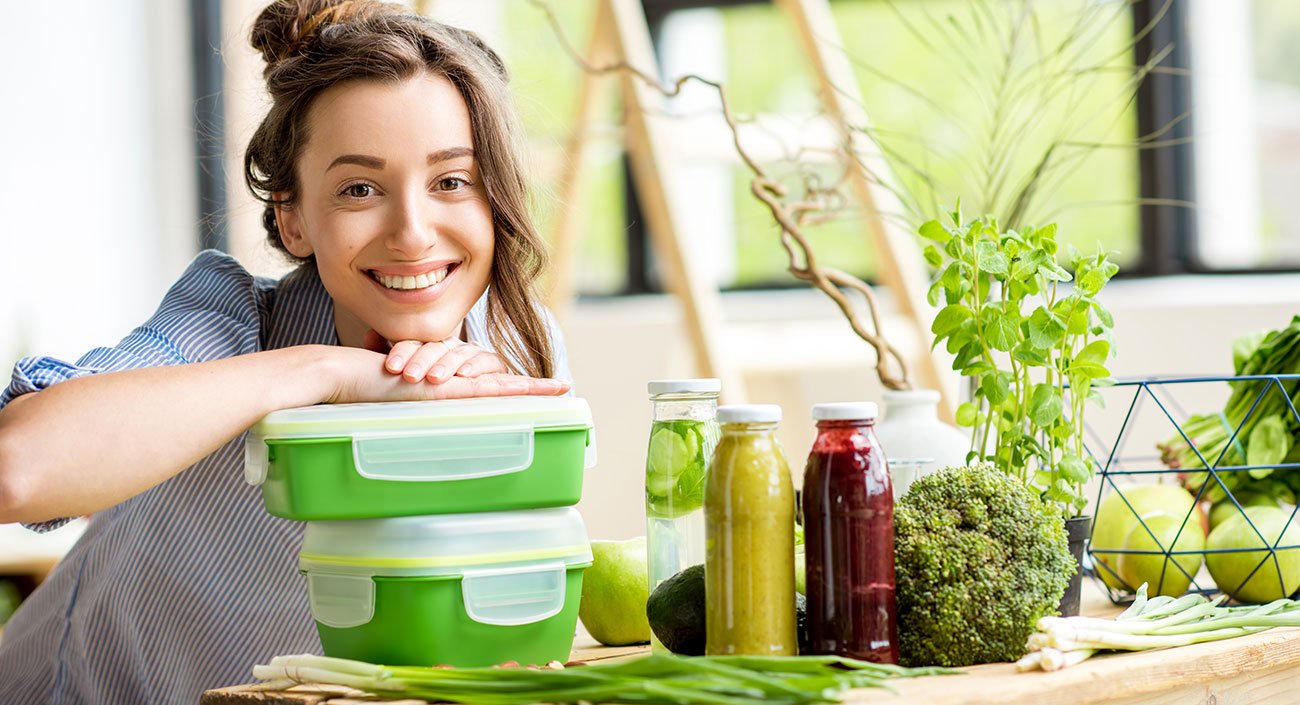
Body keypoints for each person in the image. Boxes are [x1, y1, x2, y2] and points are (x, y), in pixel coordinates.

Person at [0, 1, 572, 701]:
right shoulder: (230, 321)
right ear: (292, 217)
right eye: (360, 188)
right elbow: (17, 469)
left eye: (451, 181)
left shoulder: (514, 347)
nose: (414, 233)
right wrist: (325, 372)